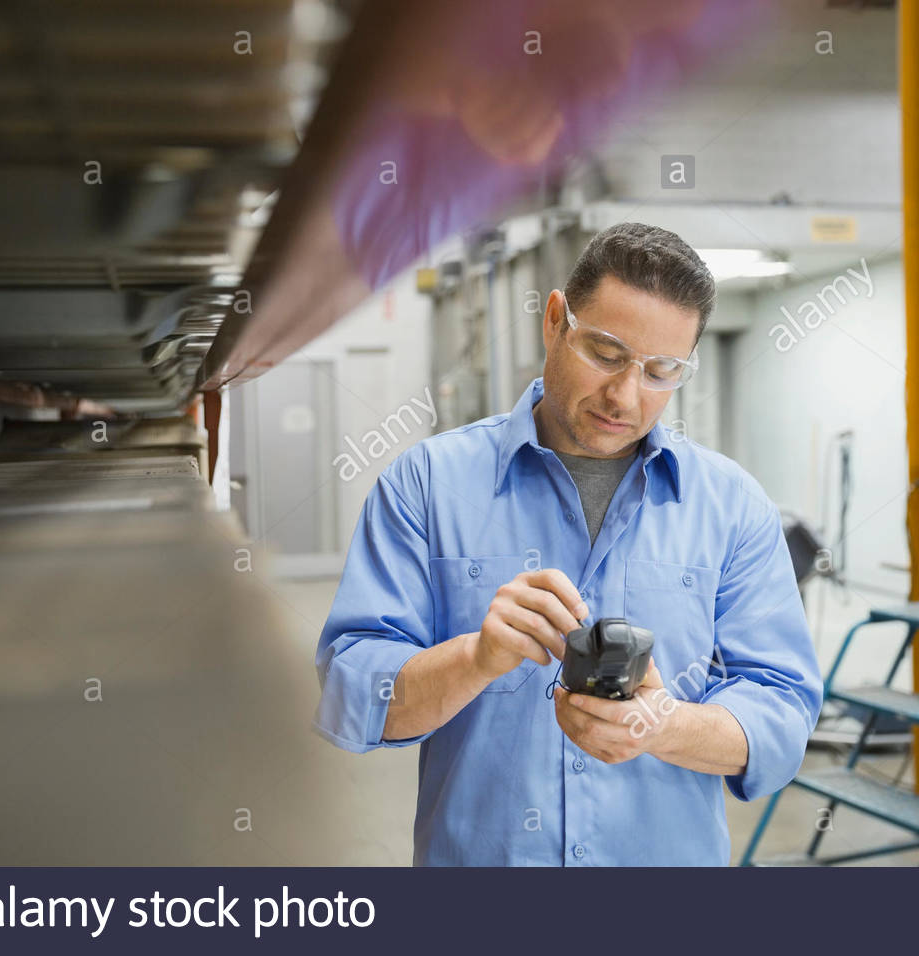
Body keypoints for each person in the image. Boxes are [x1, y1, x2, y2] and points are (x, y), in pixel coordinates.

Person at [314, 222, 822, 865]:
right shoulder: (427, 485)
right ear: (555, 320)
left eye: (661, 371)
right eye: (606, 353)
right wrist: (474, 658)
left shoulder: (732, 507)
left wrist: (666, 726)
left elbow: (781, 712)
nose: (625, 395)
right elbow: (350, 692)